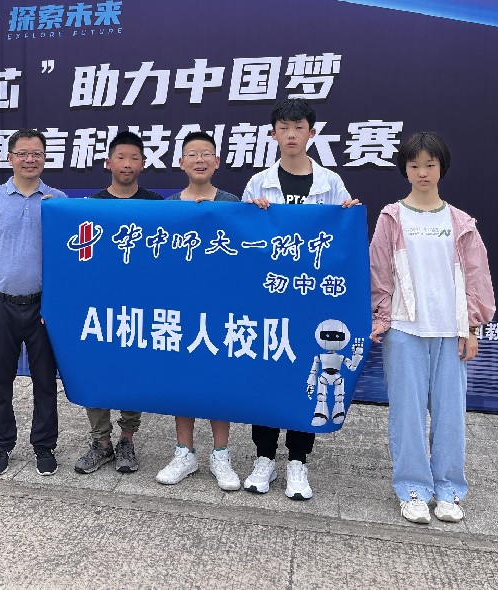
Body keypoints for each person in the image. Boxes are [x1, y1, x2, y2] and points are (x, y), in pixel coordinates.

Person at [369, 131, 494, 525]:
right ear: (404, 170)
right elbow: (379, 272)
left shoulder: (460, 222)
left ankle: (449, 490)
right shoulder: (392, 217)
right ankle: (412, 489)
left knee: (450, 414)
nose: (422, 172)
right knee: (406, 414)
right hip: (404, 329)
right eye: (414, 165)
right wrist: (381, 318)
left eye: (430, 164)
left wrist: (471, 327)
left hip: (449, 330)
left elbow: (476, 276)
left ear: (442, 168)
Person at [241, 99, 359, 500]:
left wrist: (348, 212)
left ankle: (297, 460)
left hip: (311, 298)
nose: (291, 135)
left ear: (312, 132)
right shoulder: (259, 183)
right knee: (266, 373)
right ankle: (264, 458)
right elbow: (243, 244)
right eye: (283, 128)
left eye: (299, 127)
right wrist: (250, 214)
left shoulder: (331, 183)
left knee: (303, 378)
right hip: (269, 297)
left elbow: (343, 241)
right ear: (273, 133)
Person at [0, 129, 66, 477]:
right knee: (0, 380)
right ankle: (1, 445)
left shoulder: (57, 201)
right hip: (0, 303)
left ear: (45, 158)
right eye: (22, 153)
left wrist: (58, 304)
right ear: (10, 158)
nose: (30, 160)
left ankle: (44, 446)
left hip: (42, 307)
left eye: (36, 153)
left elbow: (67, 256)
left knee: (45, 381)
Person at [154, 131, 242, 491]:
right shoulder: (169, 206)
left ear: (217, 162)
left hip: (221, 308)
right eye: (192, 154)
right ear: (181, 163)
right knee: (183, 380)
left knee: (219, 380)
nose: (199, 160)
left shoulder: (232, 203)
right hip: (181, 309)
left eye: (206, 153)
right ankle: (184, 453)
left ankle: (221, 455)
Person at [74, 130, 163, 475]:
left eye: (134, 158)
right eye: (121, 158)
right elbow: (80, 258)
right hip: (99, 306)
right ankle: (101, 441)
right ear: (108, 163)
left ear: (143, 164)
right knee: (95, 370)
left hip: (141, 305)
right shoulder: (90, 207)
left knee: (132, 371)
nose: (127, 164)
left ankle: (127, 439)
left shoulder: (157, 205)